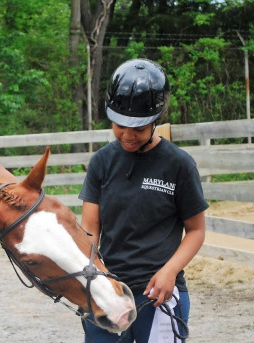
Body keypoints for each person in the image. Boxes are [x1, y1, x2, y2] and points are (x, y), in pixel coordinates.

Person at [79, 58, 208, 343]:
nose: (127, 135)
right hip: (108, 291)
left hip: (158, 293)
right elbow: (89, 229)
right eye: (119, 125)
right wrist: (91, 278)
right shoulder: (101, 162)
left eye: (137, 128)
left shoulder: (179, 165)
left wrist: (169, 272)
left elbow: (196, 231)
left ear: (156, 119)